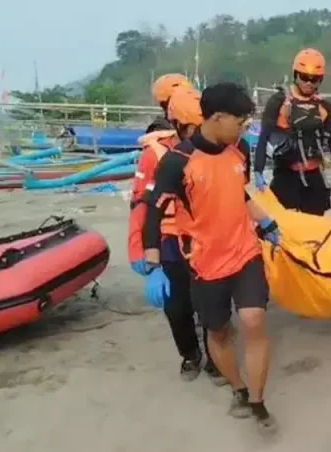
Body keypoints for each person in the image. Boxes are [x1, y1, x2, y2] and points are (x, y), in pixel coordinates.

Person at [142, 82, 280, 434]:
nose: (244, 128)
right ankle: (238, 388)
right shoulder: (178, 162)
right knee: (217, 333)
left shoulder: (240, 151)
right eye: (240, 120)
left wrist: (267, 222)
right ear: (217, 118)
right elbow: (154, 215)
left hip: (245, 252)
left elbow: (241, 192)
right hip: (205, 263)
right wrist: (154, 266)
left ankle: (259, 401)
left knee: (252, 321)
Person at [127, 80, 225, 385]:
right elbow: (143, 204)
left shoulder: (218, 147)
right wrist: (138, 248)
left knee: (212, 300)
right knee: (176, 305)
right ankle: (190, 354)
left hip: (206, 234)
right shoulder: (155, 154)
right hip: (169, 236)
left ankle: (216, 356)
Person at [253, 48, 331, 215]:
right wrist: (258, 170)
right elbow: (264, 136)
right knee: (282, 228)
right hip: (285, 176)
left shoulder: (323, 106)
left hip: (314, 177)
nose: (309, 83)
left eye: (315, 80)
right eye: (304, 77)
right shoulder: (278, 101)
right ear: (295, 74)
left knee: (314, 231)